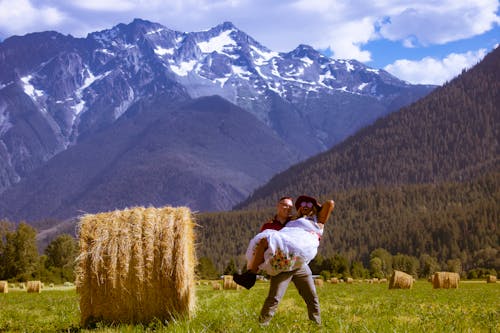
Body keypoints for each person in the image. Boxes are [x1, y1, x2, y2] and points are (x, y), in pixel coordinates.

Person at [234, 195, 335, 325]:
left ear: (314, 208)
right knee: (274, 297)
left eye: (309, 205)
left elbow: (330, 203)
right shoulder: (290, 220)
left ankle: (316, 325)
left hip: (299, 262)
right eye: (303, 204)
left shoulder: (317, 221)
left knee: (311, 296)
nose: (305, 205)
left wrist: (317, 207)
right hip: (283, 261)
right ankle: (261, 324)